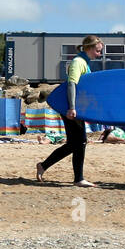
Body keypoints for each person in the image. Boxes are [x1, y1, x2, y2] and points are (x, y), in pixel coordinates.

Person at [36, 35, 102, 187]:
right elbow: (71, 84)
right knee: (80, 142)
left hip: (76, 108)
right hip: (70, 108)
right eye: (98, 51)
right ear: (89, 48)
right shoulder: (78, 62)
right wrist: (71, 108)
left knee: (75, 143)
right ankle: (78, 179)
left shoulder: (85, 62)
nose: (99, 55)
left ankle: (44, 166)